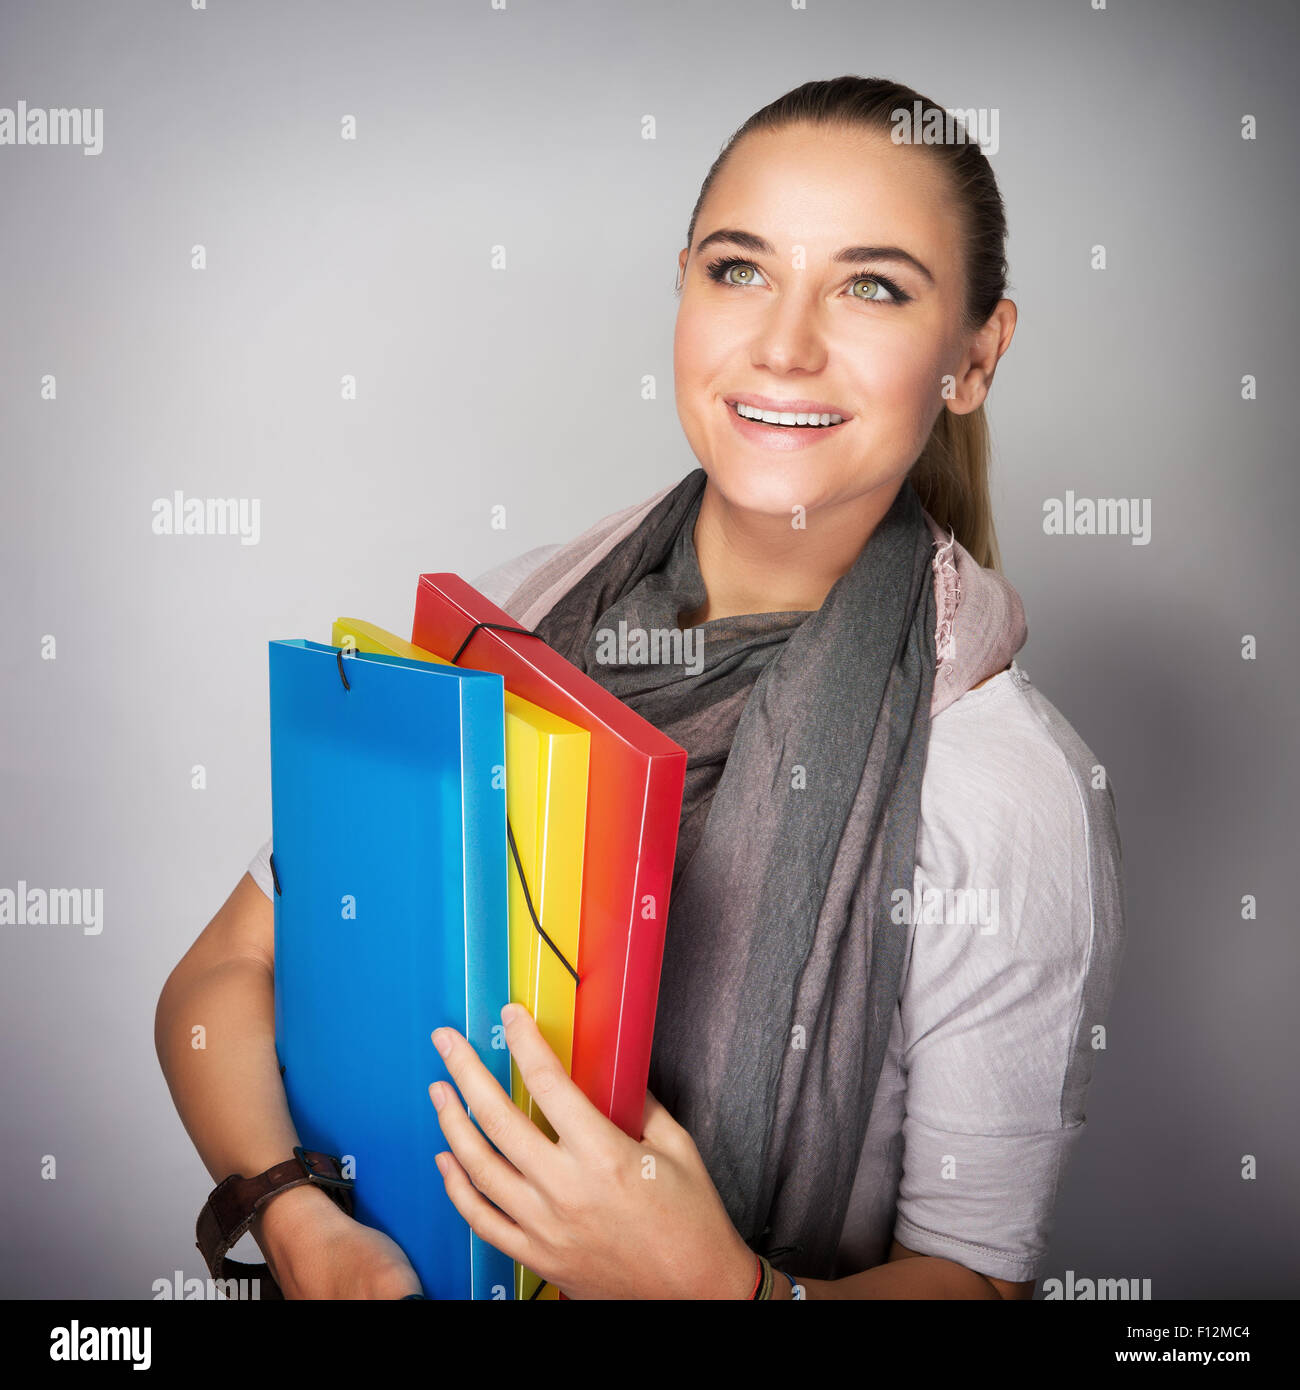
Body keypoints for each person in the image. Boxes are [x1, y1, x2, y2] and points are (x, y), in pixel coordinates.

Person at [156, 75, 1125, 1300]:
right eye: (739, 269)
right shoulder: (520, 619)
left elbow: (975, 1285)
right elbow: (224, 976)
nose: (784, 342)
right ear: (681, 287)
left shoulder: (1005, 782)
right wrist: (307, 1231)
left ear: (973, 357)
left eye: (871, 286)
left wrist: (721, 1290)